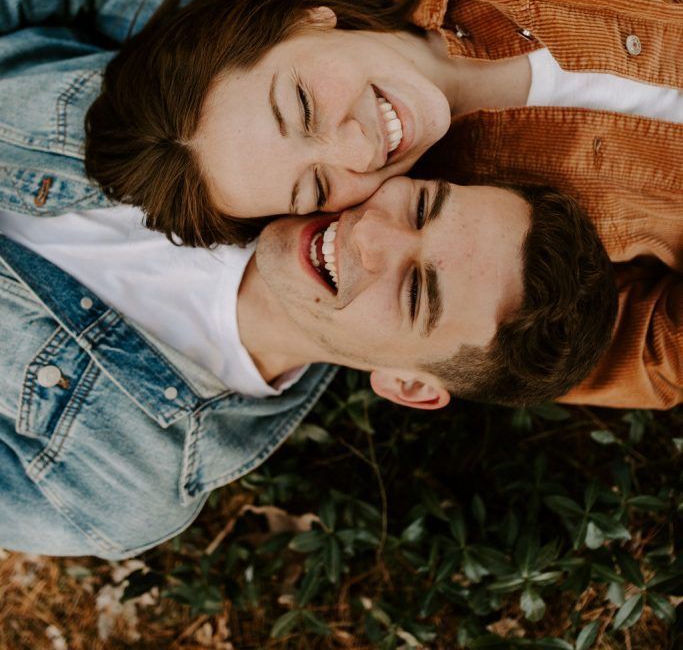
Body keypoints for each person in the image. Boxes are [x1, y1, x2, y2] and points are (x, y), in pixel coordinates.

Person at [81, 0, 683, 409]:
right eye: (317, 186)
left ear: (305, 15)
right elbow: (628, 355)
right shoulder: (484, 239)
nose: (359, 152)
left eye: (303, 105)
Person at [0, 158, 616, 558]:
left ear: (407, 385)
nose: (369, 233)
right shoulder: (257, 109)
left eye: (415, 291)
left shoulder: (120, 489)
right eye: (423, 207)